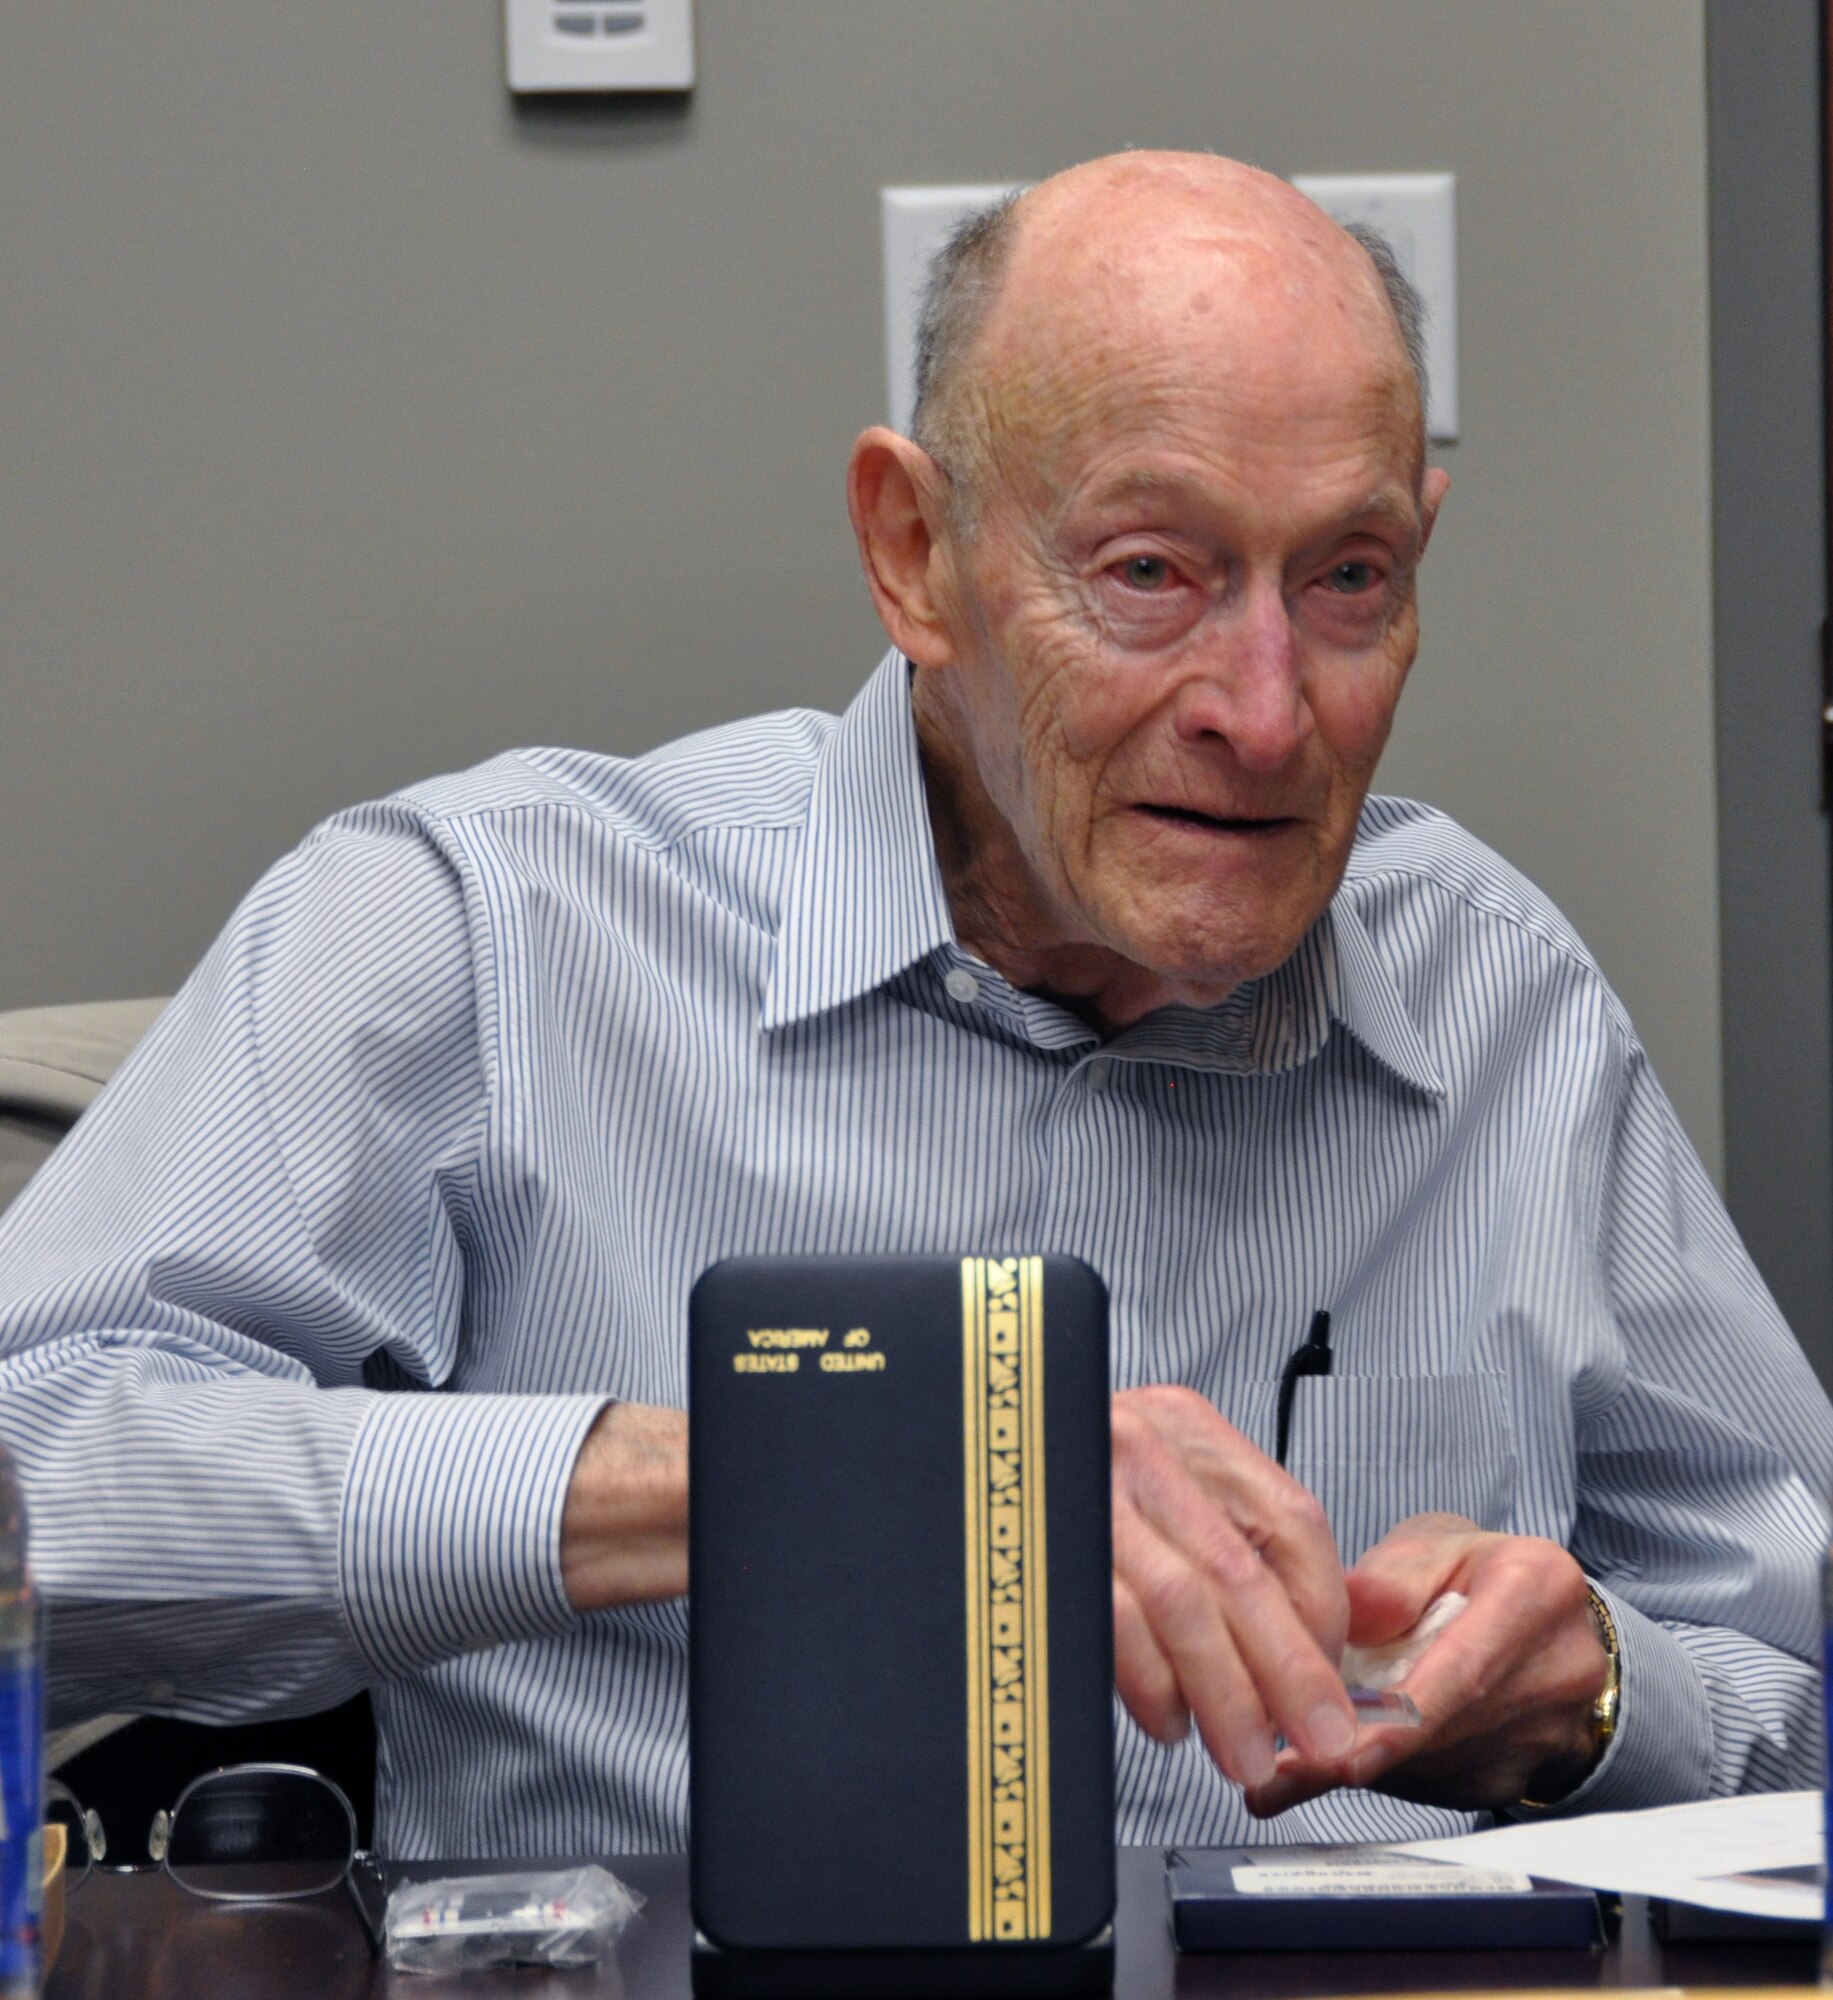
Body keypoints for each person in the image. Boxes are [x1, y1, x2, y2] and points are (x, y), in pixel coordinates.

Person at [0, 151, 1826, 1858]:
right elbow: (38, 1484)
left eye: (1348, 580)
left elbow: (1800, 1685)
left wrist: (1594, 1702)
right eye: (1148, 573)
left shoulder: (1501, 1006)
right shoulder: (484, 929)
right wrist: (812, 1458)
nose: (1265, 712)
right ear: (911, 552)